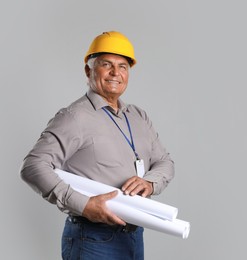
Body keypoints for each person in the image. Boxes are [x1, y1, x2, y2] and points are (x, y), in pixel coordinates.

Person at [20, 31, 175, 260]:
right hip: (92, 238)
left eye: (123, 66)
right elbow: (33, 166)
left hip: (133, 234)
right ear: (88, 71)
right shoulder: (74, 117)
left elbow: (165, 162)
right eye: (107, 65)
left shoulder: (138, 117)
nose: (116, 73)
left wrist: (150, 182)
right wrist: (83, 205)